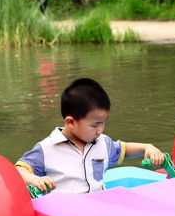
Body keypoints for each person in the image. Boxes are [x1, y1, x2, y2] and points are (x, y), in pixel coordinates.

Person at [16, 78, 164, 194]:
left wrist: (147, 147)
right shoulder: (47, 149)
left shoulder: (102, 143)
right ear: (71, 122)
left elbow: (123, 149)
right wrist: (34, 179)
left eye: (103, 123)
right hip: (64, 214)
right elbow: (19, 170)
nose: (100, 130)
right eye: (94, 125)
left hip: (99, 210)